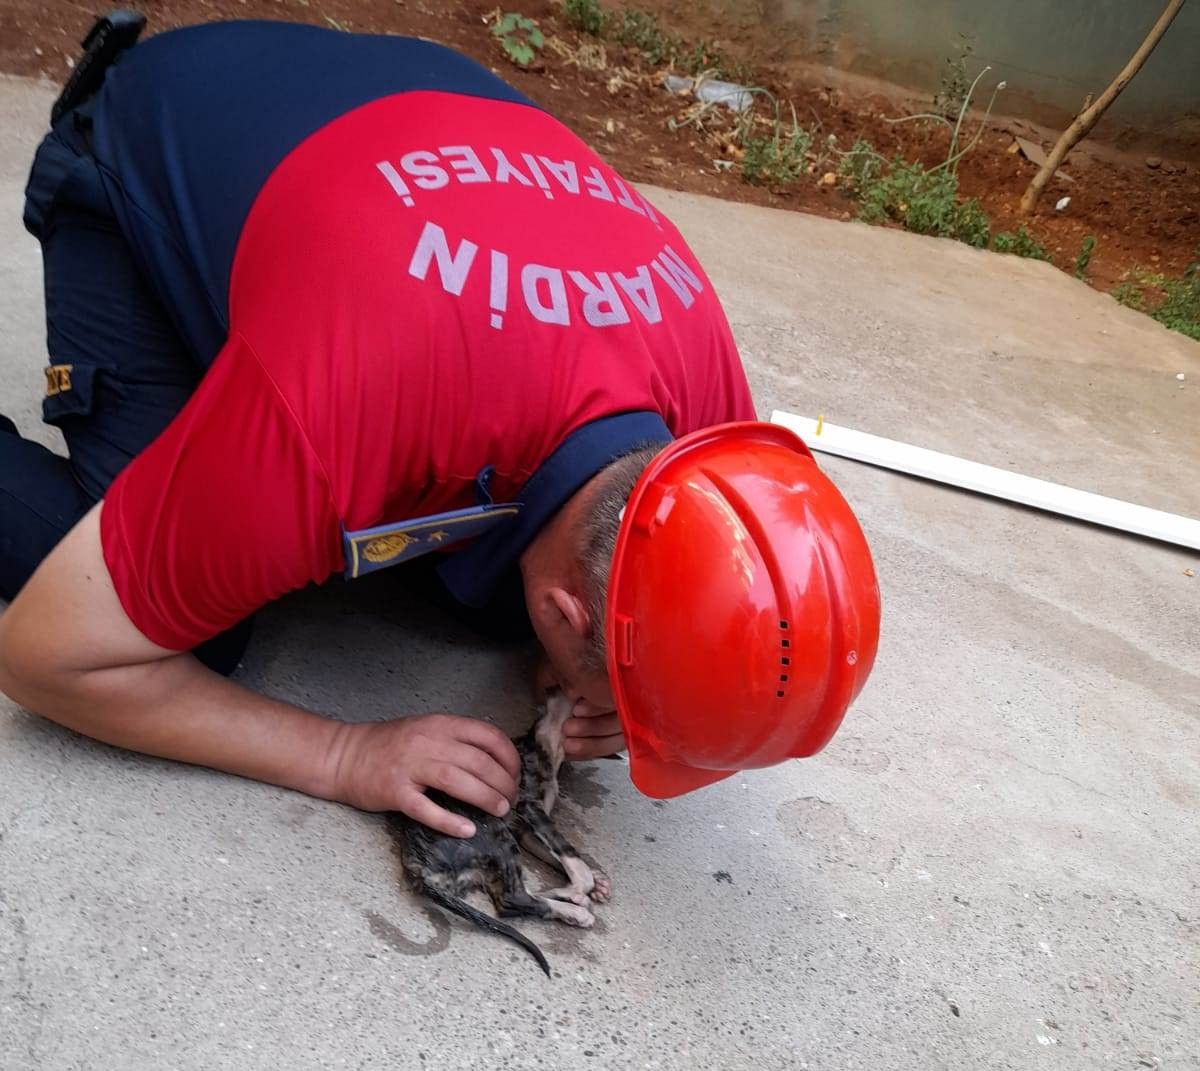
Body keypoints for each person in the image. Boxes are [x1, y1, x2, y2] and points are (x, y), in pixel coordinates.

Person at [0, 18, 881, 837]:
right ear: (562, 612)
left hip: (403, 105)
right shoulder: (342, 414)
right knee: (190, 632)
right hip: (141, 147)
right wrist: (348, 755)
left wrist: (592, 665)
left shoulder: (718, 441)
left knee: (486, 592)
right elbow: (48, 657)